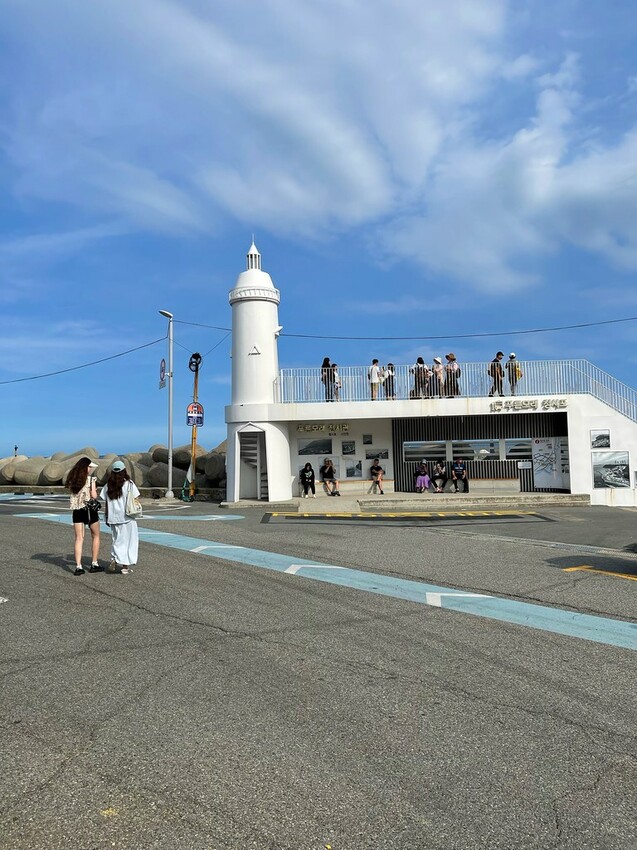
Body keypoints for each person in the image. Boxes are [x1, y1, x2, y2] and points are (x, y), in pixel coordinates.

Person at [100, 460, 141, 575]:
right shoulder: (129, 484)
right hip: (127, 517)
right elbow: (136, 498)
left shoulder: (108, 485)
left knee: (116, 539)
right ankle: (124, 566)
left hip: (113, 517)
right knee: (128, 542)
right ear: (124, 471)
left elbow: (106, 502)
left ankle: (114, 558)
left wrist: (107, 516)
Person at [65, 457, 102, 575]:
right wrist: (94, 489)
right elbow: (94, 496)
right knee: (95, 536)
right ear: (86, 467)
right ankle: (94, 563)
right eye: (90, 467)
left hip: (77, 511)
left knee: (79, 538)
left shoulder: (72, 480)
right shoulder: (91, 480)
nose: (91, 468)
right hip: (90, 510)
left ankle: (78, 566)